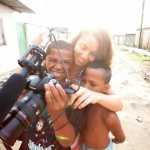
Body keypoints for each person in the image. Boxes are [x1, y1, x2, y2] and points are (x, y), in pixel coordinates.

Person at [45, 28, 124, 149]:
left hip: (70, 133)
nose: (85, 56)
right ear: (76, 40)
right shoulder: (61, 59)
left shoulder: (90, 73)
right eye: (83, 47)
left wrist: (96, 96)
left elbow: (118, 103)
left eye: (93, 54)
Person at [18, 40, 75, 150]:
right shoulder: (32, 85)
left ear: (72, 65)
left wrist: (57, 113)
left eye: (66, 62)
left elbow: (67, 141)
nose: (58, 67)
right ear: (44, 60)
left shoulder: (72, 95)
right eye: (53, 60)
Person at [78, 63, 125, 149]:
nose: (85, 87)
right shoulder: (82, 103)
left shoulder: (106, 111)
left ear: (106, 88)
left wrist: (118, 139)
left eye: (92, 84)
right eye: (83, 81)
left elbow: (121, 136)